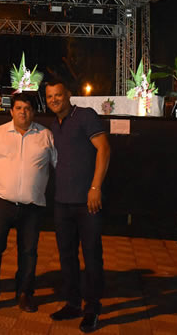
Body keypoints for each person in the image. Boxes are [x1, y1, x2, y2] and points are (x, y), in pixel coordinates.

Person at [0, 93, 57, 314]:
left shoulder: (46, 136)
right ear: (11, 111)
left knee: (28, 252)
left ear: (33, 112)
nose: (22, 112)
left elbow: (61, 166)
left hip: (32, 206)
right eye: (18, 108)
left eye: (27, 108)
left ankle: (25, 293)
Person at [45, 80, 111, 333]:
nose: (54, 100)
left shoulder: (85, 116)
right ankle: (73, 303)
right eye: (50, 96)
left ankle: (92, 308)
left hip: (87, 203)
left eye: (58, 95)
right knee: (67, 256)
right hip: (62, 203)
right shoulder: (54, 125)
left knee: (92, 256)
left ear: (68, 95)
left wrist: (95, 188)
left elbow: (104, 149)